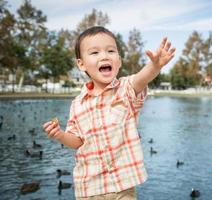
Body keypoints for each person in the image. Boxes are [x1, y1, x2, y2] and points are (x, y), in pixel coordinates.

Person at [43, 26, 175, 200]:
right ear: (81, 64)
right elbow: (77, 141)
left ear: (119, 61)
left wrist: (155, 66)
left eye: (111, 51)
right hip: (89, 189)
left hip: (123, 187)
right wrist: (60, 135)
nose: (104, 56)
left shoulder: (126, 90)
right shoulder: (77, 104)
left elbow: (141, 78)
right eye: (95, 52)